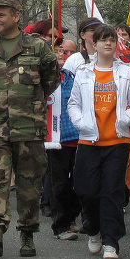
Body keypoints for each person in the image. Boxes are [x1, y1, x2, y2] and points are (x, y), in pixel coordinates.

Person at [0, 0, 60, 259]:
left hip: (29, 126)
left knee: (29, 182)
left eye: (1, 15)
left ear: (16, 16)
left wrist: (27, 101)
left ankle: (27, 232)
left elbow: (51, 80)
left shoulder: (38, 47)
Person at [68, 25, 130, 259]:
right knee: (86, 191)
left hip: (117, 142)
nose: (108, 44)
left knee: (112, 192)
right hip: (89, 141)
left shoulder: (126, 72)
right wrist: (82, 122)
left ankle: (111, 241)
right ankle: (93, 229)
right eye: (103, 40)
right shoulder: (83, 72)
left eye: (112, 40)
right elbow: (73, 104)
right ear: (95, 44)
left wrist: (125, 119)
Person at [45, 30, 83, 243]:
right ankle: (60, 224)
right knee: (58, 183)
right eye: (56, 52)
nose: (60, 55)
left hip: (76, 136)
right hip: (54, 139)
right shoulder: (43, 80)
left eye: (63, 53)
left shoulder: (73, 77)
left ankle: (72, 215)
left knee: (80, 181)